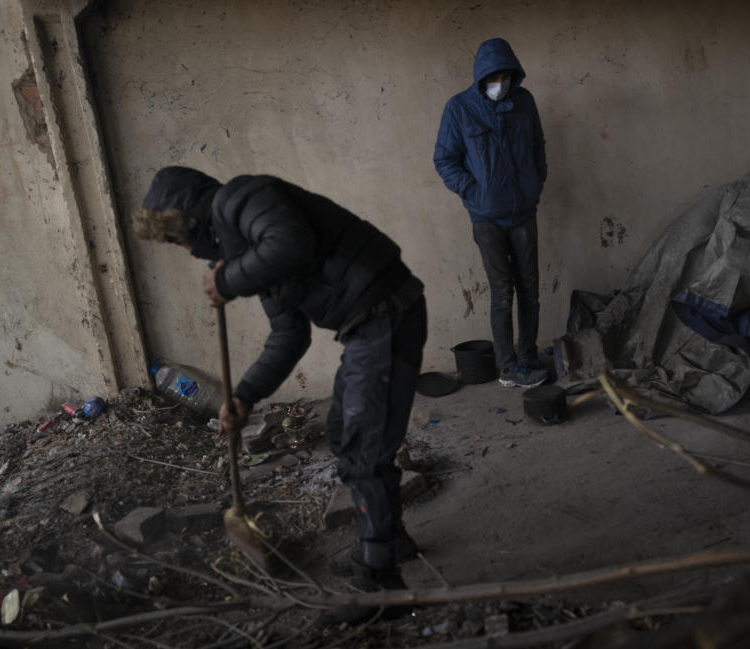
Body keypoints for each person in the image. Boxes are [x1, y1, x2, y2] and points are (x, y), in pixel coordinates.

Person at [132, 166, 426, 626]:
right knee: (342, 431)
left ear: (187, 220)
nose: (186, 252)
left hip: (386, 311)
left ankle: (380, 585)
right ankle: (389, 538)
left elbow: (291, 242)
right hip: (367, 324)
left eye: (177, 239)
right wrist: (244, 397)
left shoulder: (241, 197)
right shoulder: (244, 252)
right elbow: (289, 335)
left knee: (362, 445)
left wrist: (229, 282)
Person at [434, 37, 549, 388]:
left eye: (505, 76)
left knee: (530, 288)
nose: (500, 84)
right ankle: (508, 366)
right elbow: (444, 159)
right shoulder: (459, 108)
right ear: (481, 77)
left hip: (524, 213)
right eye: (493, 77)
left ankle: (528, 356)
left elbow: (537, 146)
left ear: (514, 75)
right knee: (502, 292)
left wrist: (535, 182)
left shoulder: (524, 102)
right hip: (486, 219)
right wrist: (473, 191)